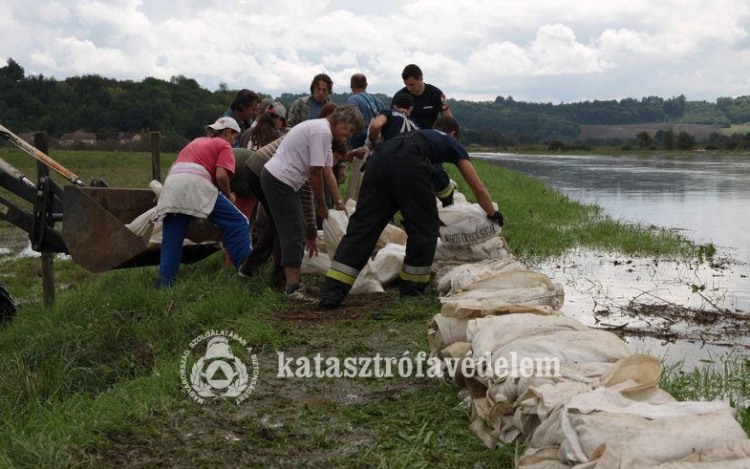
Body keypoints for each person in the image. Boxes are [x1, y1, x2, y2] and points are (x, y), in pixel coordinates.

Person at [318, 117, 504, 309]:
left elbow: (437, 176)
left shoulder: (419, 135)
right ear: (454, 135)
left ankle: (332, 291)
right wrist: (492, 213)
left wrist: (447, 197)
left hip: (377, 163)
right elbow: (478, 187)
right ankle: (411, 288)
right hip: (408, 166)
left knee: (363, 228)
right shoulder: (452, 145)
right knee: (424, 228)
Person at [260, 105, 364, 298]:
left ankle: (290, 282)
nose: (348, 136)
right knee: (294, 231)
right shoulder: (321, 132)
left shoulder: (323, 131)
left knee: (291, 229)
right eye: (349, 130)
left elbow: (326, 170)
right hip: (279, 180)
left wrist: (338, 201)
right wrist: (322, 206)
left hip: (281, 180)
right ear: (341, 121)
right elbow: (315, 173)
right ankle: (292, 288)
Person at [154, 117, 251, 288]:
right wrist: (228, 195)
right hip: (196, 184)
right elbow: (221, 176)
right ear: (227, 132)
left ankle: (164, 286)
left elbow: (171, 169)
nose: (233, 140)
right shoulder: (223, 145)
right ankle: (246, 272)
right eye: (233, 136)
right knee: (238, 222)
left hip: (172, 186)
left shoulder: (195, 142)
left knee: (172, 240)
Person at [391, 64, 452, 130]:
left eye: (412, 84)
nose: (409, 88)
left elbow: (449, 120)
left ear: (421, 79)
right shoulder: (399, 96)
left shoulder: (437, 94)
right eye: (406, 84)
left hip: (429, 136)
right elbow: (391, 119)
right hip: (407, 136)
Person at [346, 73, 385, 149]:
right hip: (378, 142)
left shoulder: (353, 100)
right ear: (366, 85)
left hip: (361, 143)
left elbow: (351, 121)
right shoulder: (378, 101)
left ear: (351, 86)